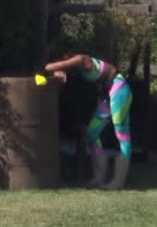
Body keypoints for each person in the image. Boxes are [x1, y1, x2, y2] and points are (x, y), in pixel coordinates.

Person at [44, 51, 133, 189]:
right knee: (92, 133)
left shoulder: (82, 60)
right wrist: (58, 72)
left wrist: (57, 68)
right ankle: (99, 177)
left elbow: (48, 67)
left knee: (121, 135)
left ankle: (118, 181)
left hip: (118, 88)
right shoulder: (78, 71)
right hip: (106, 94)